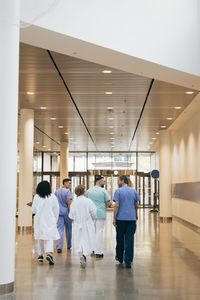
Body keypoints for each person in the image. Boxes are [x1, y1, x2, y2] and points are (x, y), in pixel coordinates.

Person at [113, 175, 140, 268]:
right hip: (131, 219)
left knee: (120, 239)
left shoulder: (118, 191)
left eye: (118, 180)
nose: (117, 182)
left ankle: (120, 258)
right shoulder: (134, 191)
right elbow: (137, 204)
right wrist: (136, 214)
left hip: (121, 219)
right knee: (130, 239)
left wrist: (114, 218)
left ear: (122, 181)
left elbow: (116, 205)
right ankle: (128, 260)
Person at [32, 181, 60, 266]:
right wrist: (55, 219)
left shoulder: (37, 197)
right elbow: (56, 209)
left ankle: (40, 255)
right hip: (50, 219)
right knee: (49, 237)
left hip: (39, 219)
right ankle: (49, 254)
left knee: (40, 236)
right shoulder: (53, 197)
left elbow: (33, 209)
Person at [69, 185, 97, 268]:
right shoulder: (88, 201)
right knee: (87, 240)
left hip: (77, 224)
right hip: (87, 224)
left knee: (79, 240)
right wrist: (92, 219)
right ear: (84, 192)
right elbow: (94, 213)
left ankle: (82, 254)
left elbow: (71, 215)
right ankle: (84, 255)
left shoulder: (74, 202)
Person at [87, 176, 110, 258]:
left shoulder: (88, 191)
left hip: (90, 214)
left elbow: (86, 202)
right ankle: (99, 252)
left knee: (92, 232)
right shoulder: (103, 191)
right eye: (103, 181)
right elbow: (108, 203)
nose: (104, 183)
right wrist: (106, 205)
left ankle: (92, 249)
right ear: (99, 182)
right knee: (99, 232)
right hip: (100, 214)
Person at [55, 178, 73, 253]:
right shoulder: (67, 191)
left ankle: (59, 247)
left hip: (59, 213)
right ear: (65, 183)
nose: (70, 185)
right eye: (69, 183)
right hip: (67, 213)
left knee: (60, 229)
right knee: (69, 230)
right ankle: (69, 245)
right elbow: (69, 202)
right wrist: (71, 213)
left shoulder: (56, 192)